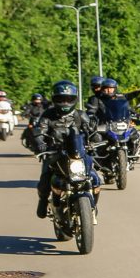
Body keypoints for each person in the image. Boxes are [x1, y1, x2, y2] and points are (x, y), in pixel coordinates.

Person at [32, 80, 98, 219]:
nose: (65, 102)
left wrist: (94, 139)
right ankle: (43, 201)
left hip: (78, 153)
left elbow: (92, 133)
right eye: (61, 99)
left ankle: (92, 207)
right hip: (56, 153)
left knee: (94, 177)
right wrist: (40, 143)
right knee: (45, 179)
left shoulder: (80, 115)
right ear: (55, 99)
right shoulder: (48, 115)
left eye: (68, 99)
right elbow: (39, 132)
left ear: (74, 99)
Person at [97, 78, 140, 159]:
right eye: (106, 89)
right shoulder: (99, 100)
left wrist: (137, 114)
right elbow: (94, 110)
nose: (108, 91)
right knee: (98, 137)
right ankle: (102, 156)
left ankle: (134, 151)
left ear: (115, 89)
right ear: (102, 90)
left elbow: (127, 106)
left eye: (110, 89)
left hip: (121, 122)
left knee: (135, 134)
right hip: (107, 123)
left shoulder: (120, 98)